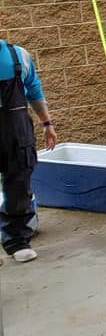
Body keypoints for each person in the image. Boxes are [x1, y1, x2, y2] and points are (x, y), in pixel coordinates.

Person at [0, 39, 57, 264]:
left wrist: (47, 124)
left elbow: (33, 89)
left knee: (19, 183)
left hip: (17, 130)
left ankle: (16, 240)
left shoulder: (19, 56)